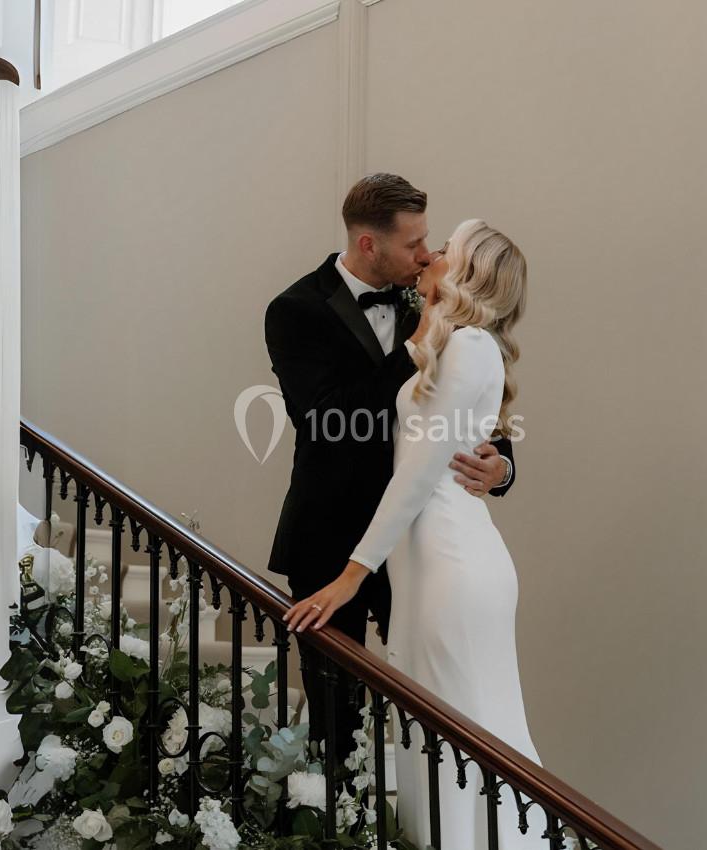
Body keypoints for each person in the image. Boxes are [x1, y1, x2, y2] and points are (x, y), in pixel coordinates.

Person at [285, 218, 547, 849]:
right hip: (415, 557)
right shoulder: (444, 336)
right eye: (424, 244)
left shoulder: (468, 346)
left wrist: (352, 576)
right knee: (434, 739)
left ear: (467, 273)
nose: (430, 254)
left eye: (445, 249)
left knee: (466, 740)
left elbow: (421, 472)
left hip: (449, 559)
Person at [264, 174, 517, 760]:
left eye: (429, 240)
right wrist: (414, 347)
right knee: (338, 715)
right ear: (369, 244)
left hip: (426, 537)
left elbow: (481, 412)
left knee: (440, 704)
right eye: (412, 244)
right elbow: (326, 420)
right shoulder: (294, 310)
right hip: (333, 536)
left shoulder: (435, 301)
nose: (427, 255)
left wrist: (501, 468)